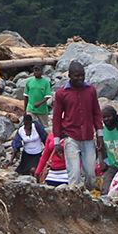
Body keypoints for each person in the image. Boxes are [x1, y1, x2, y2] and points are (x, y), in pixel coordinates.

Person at [47, 63, 104, 191]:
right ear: (69, 76)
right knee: (74, 173)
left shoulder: (90, 90)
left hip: (88, 136)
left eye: (82, 75)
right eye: (77, 76)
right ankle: (75, 194)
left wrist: (100, 134)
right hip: (71, 137)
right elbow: (57, 118)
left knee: (90, 173)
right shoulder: (62, 93)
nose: (80, 78)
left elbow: (96, 112)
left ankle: (88, 192)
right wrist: (57, 141)